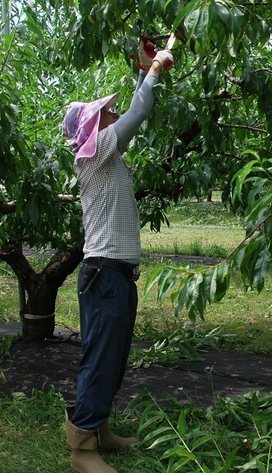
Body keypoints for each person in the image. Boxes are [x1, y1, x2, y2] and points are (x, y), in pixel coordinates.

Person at [60, 39, 173, 473]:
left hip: (116, 275)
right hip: (104, 274)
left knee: (113, 355)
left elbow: (132, 109)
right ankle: (82, 450)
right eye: (103, 113)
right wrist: (155, 69)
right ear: (92, 130)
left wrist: (142, 65)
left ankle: (99, 429)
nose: (111, 114)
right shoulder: (93, 156)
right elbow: (138, 112)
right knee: (100, 356)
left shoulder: (107, 157)